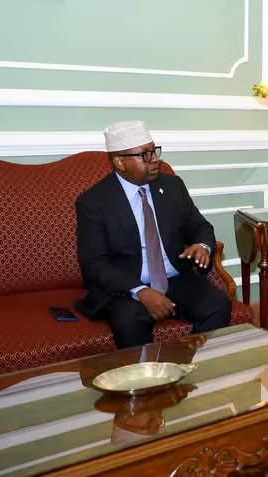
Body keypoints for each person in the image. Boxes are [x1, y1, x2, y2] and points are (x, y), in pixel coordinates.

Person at [75, 120, 231, 348]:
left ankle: (195, 365)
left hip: (175, 277)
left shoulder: (172, 186)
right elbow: (94, 264)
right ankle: (145, 373)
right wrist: (141, 291)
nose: (154, 159)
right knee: (130, 322)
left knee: (217, 304)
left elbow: (201, 227)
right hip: (125, 287)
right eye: (144, 155)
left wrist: (202, 245)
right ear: (120, 162)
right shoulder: (94, 202)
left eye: (154, 151)